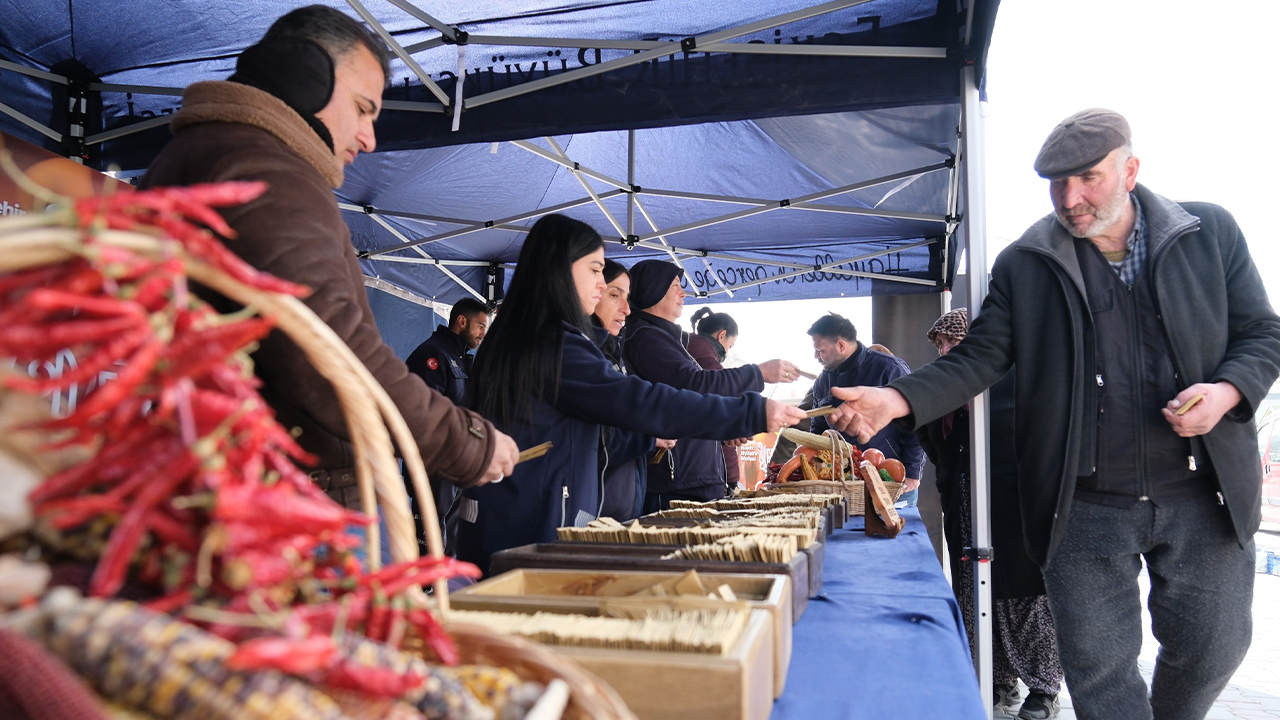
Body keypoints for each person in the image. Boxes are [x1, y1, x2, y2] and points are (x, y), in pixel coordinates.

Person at [826, 109, 1280, 720]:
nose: (1071, 198)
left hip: (1205, 494)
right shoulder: (1025, 262)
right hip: (1082, 503)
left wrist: (1227, 391)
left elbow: (1262, 333)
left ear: (1131, 169)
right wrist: (896, 398)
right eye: (1057, 183)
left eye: (1088, 178)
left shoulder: (1211, 232)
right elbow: (982, 355)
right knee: (1098, 672)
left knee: (1216, 647)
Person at [139, 6, 519, 514]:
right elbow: (333, 353)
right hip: (283, 508)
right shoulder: (270, 172)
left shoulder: (210, 155)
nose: (369, 138)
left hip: (229, 487)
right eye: (363, 108)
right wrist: (466, 442)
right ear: (304, 78)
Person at [457, 215, 805, 574]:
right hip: (531, 536)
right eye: (595, 270)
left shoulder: (519, 337)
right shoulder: (553, 345)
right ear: (559, 270)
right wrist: (751, 411)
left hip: (509, 525)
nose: (600, 282)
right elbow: (643, 400)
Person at [917, 309, 1064, 720]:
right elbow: (927, 435)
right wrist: (951, 472)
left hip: (1010, 500)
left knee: (1023, 594)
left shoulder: (1010, 375)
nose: (945, 350)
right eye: (940, 344)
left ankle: (1044, 688)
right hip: (963, 501)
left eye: (952, 342)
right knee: (974, 592)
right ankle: (998, 679)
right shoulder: (942, 385)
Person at [622, 260, 801, 510]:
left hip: (689, 479)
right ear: (654, 290)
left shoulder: (664, 337)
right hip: (676, 484)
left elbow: (690, 404)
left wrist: (724, 427)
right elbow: (696, 385)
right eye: (675, 286)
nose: (683, 293)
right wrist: (758, 373)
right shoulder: (646, 338)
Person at [807, 313, 924, 506]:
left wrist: (912, 471)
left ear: (841, 345)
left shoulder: (890, 368)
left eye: (820, 350)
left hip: (892, 481)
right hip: (842, 485)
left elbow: (918, 419)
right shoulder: (822, 381)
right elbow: (818, 428)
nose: (815, 356)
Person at [591, 259, 675, 520]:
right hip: (597, 512)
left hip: (621, 504)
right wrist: (649, 438)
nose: (627, 309)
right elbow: (600, 442)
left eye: (627, 297)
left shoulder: (615, 352)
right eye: (614, 295)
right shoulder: (585, 358)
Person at [406, 296, 490, 538]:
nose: (483, 333)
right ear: (462, 322)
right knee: (429, 542)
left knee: (450, 543)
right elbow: (427, 412)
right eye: (481, 326)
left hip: (458, 462)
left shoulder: (463, 358)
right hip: (434, 463)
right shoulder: (433, 353)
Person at [686, 307, 745, 492]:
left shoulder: (684, 351)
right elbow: (727, 425)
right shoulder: (710, 367)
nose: (727, 353)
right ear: (722, 335)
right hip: (697, 473)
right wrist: (733, 479)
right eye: (731, 345)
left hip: (683, 470)